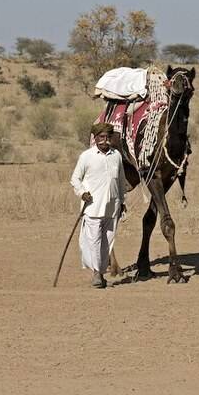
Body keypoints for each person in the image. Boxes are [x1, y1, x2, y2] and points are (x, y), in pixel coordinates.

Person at [70, 122, 127, 288]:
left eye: (108, 137)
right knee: (94, 241)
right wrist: (82, 193)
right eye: (101, 137)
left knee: (108, 241)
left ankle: (101, 272)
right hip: (93, 207)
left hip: (112, 206)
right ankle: (97, 273)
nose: (105, 140)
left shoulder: (116, 156)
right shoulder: (86, 156)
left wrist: (122, 202)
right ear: (95, 139)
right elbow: (75, 179)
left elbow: (121, 181)